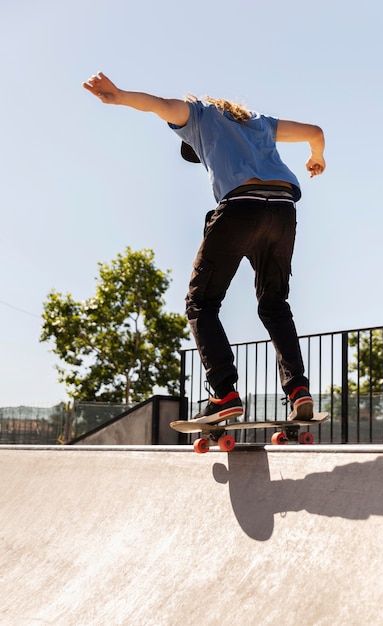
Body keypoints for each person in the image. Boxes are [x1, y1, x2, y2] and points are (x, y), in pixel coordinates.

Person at [83, 72, 326, 424]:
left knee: (201, 303)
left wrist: (119, 96)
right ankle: (298, 390)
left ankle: (224, 393)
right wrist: (316, 157)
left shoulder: (197, 115)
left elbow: (159, 105)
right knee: (274, 304)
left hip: (242, 206)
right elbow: (315, 133)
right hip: (284, 208)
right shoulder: (259, 122)